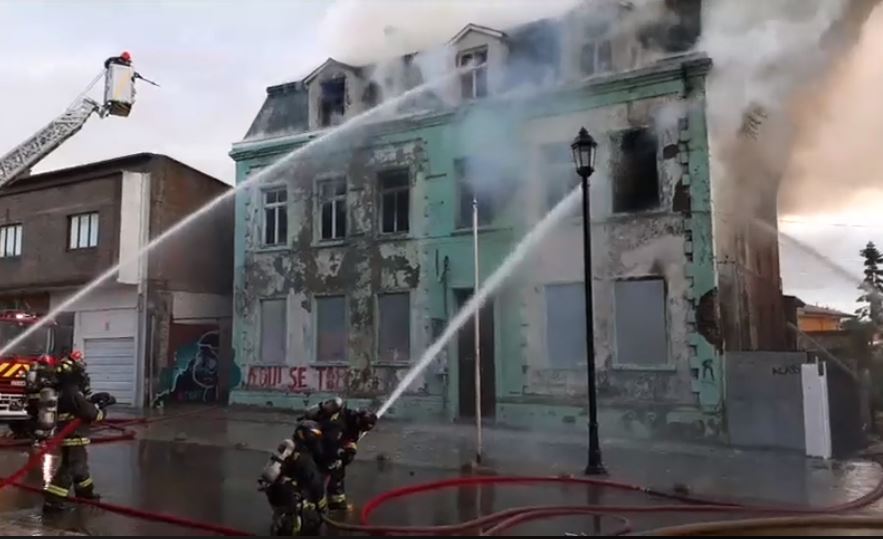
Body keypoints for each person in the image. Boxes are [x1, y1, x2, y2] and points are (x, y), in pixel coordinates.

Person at [43, 353, 114, 512]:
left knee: (80, 467)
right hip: (73, 437)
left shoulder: (66, 390)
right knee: (69, 468)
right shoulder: (72, 391)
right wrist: (103, 408)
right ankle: (53, 501)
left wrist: (93, 400)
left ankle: (85, 494)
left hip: (73, 436)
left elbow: (80, 406)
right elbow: (90, 413)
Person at [302, 397, 377, 510]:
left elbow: (349, 440)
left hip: (327, 448)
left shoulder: (353, 423)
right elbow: (328, 446)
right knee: (317, 477)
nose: (362, 431)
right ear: (358, 421)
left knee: (337, 470)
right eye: (362, 428)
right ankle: (311, 504)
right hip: (317, 449)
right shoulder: (338, 425)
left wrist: (348, 452)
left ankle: (336, 501)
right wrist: (337, 457)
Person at [259, 420, 327, 535]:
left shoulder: (288, 450)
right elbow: (315, 484)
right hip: (290, 498)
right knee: (308, 521)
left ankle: (279, 524)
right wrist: (321, 505)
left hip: (275, 493)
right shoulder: (304, 458)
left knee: (282, 514)